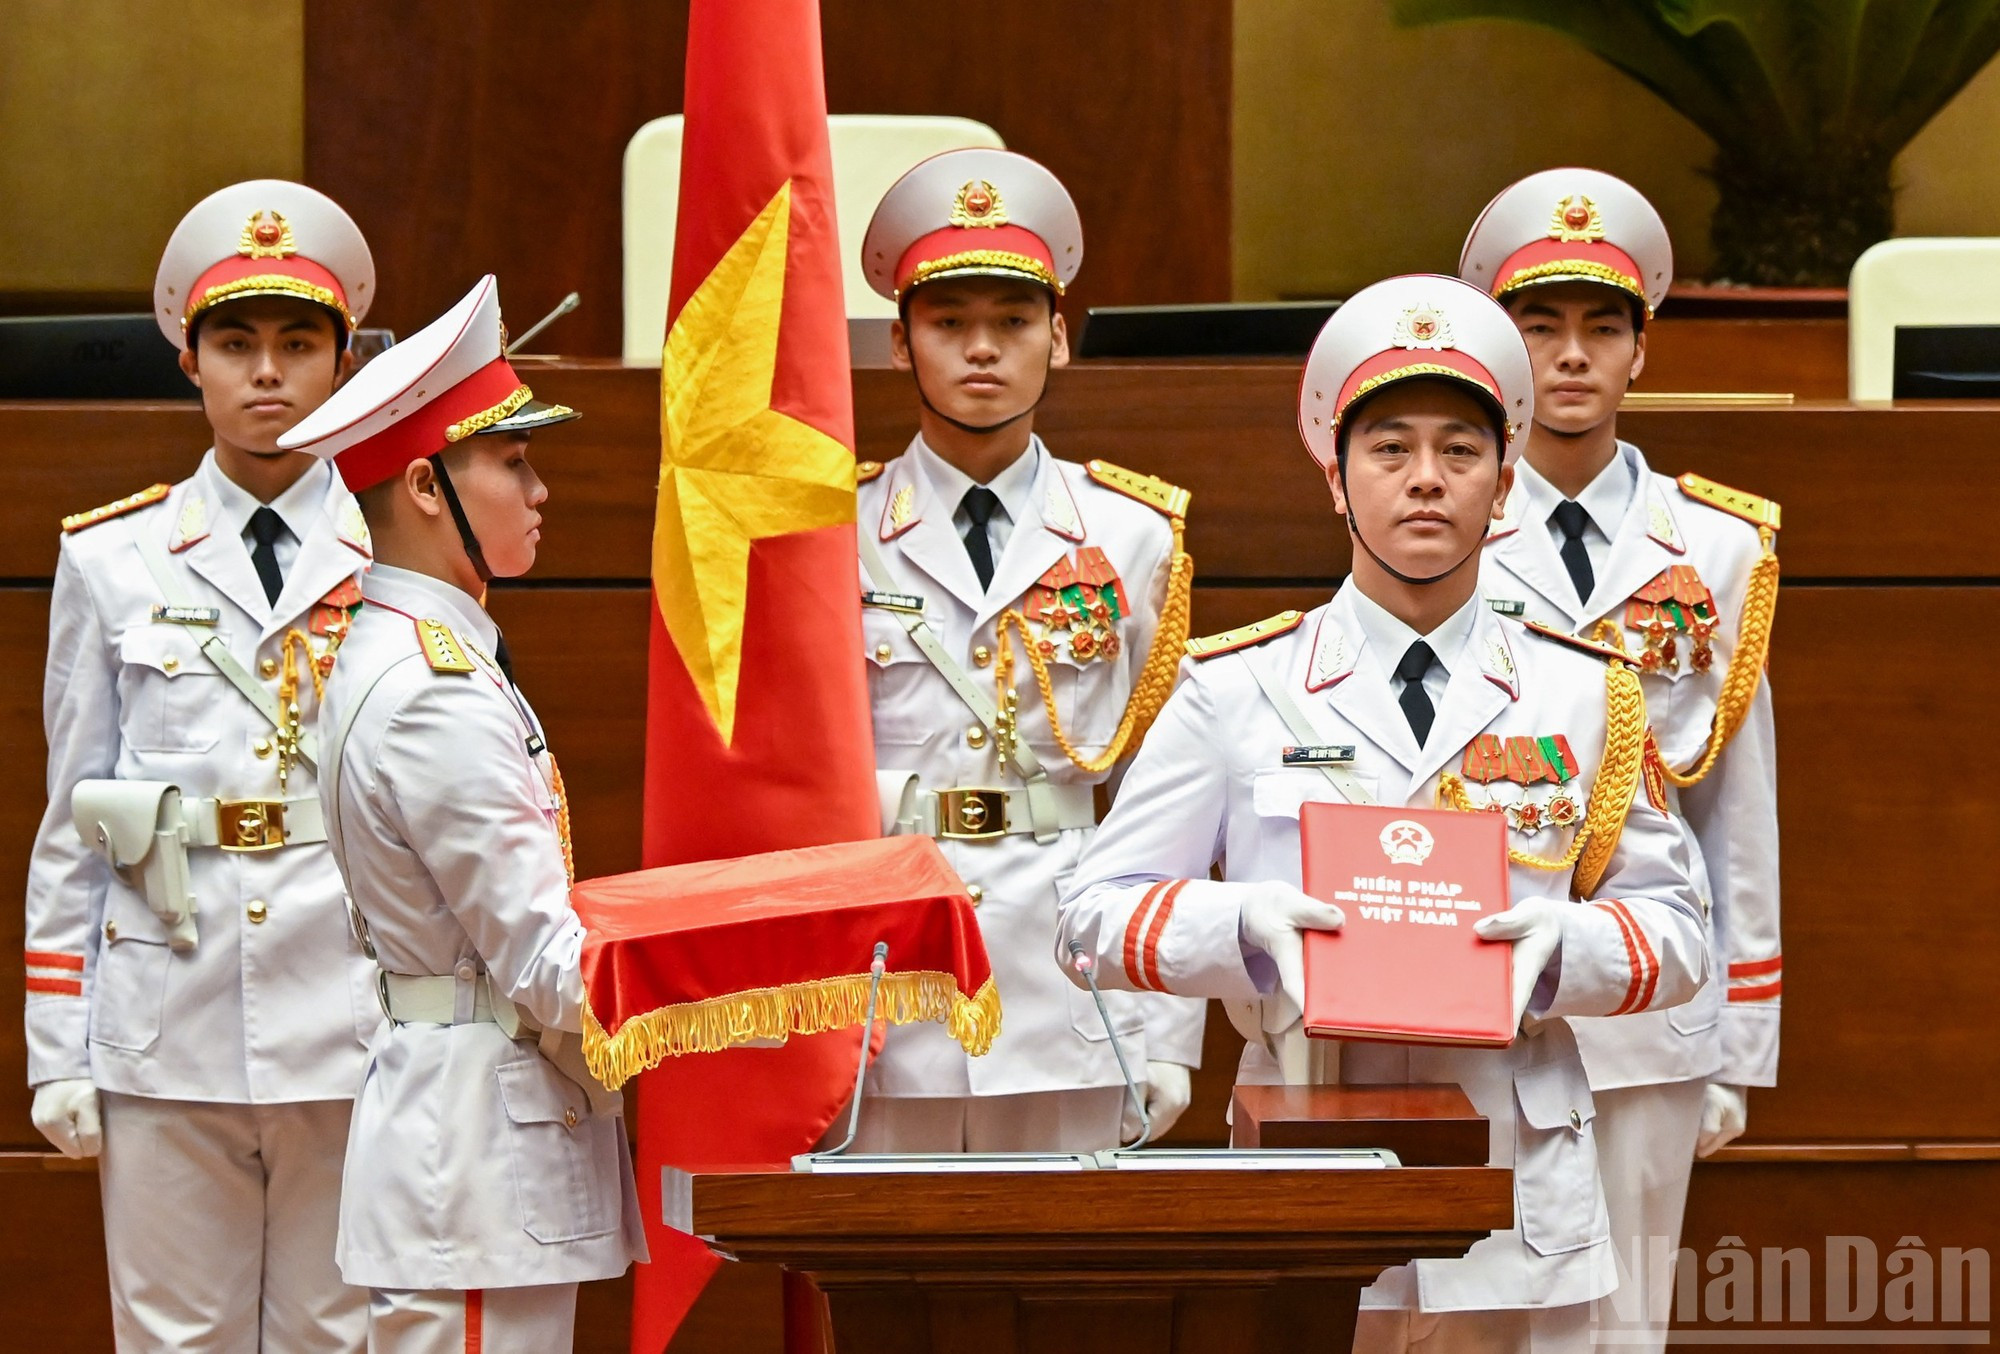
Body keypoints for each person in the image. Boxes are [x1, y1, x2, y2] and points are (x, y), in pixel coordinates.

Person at [1058, 274, 1710, 1354]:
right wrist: (1243, 928)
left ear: (1504, 485)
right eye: (1389, 449)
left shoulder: (1585, 692)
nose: (1425, 480)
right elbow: (1088, 916)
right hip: (1305, 1166)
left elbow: (1679, 935)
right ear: (1335, 477)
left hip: (1518, 1189)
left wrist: (1563, 946)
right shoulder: (1235, 688)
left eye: (1459, 451)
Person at [25, 179, 377, 1351]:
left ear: (342, 361)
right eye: (235, 344)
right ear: (190, 360)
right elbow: (75, 819)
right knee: (175, 1338)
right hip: (166, 1014)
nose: (267, 372)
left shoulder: (398, 548)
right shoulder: (113, 558)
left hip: (348, 1014)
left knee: (341, 1335)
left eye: (298, 344)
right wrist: (57, 1045)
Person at [277, 275, 644, 1352]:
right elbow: (546, 966)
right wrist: (744, 967)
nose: (538, 489)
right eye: (512, 461)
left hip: (472, 1136)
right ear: (426, 487)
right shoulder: (434, 689)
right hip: (477, 1157)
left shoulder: (431, 656)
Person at [1462, 167, 1782, 1348]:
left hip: (1654, 1004)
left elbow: (1735, 805)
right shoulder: (1436, 515)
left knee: (1622, 1326)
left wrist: (1739, 1043)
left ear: (1640, 349)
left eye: (1601, 326)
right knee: (1472, 1314)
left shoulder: (1715, 545)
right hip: (1479, 985)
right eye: (1537, 324)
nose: (1569, 355)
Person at [847, 148, 1204, 1151]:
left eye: (1012, 321)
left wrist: (1166, 1027)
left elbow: (1166, 797)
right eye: (947, 323)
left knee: (1065, 1248)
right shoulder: (836, 531)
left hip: (1068, 983)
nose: (981, 349)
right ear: (899, 343)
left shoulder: (1132, 533)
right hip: (889, 974)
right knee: (883, 1247)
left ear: (1059, 337)